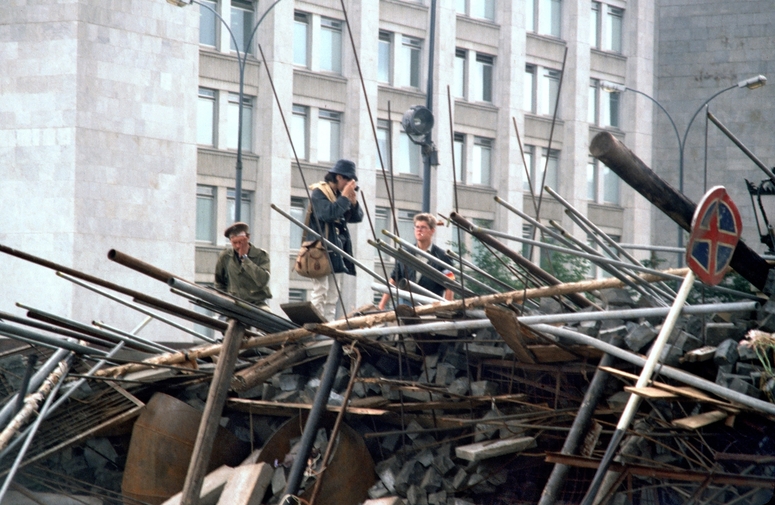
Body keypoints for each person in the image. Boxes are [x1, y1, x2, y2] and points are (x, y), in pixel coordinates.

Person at [306, 159, 363, 321]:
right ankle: (314, 325)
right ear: (338, 177)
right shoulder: (320, 192)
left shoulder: (339, 195)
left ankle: (329, 326)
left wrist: (353, 203)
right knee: (321, 289)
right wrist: (344, 197)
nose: (348, 185)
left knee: (333, 292)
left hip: (336, 248)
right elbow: (328, 214)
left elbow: (356, 218)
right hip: (320, 248)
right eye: (347, 180)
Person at [378, 213, 454, 310]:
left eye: (423, 227)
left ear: (432, 231)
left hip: (430, 308)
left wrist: (448, 308)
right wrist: (382, 304)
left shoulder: (443, 257)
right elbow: (394, 279)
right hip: (405, 307)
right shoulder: (404, 253)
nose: (419, 230)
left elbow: (450, 285)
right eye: (417, 227)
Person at [214, 222, 272, 310]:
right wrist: (225, 299)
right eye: (234, 242)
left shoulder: (261, 255)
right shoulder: (225, 257)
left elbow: (263, 280)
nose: (237, 246)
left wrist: (245, 259)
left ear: (248, 238)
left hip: (257, 304)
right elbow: (219, 282)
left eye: (241, 242)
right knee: (220, 322)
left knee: (268, 318)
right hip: (233, 303)